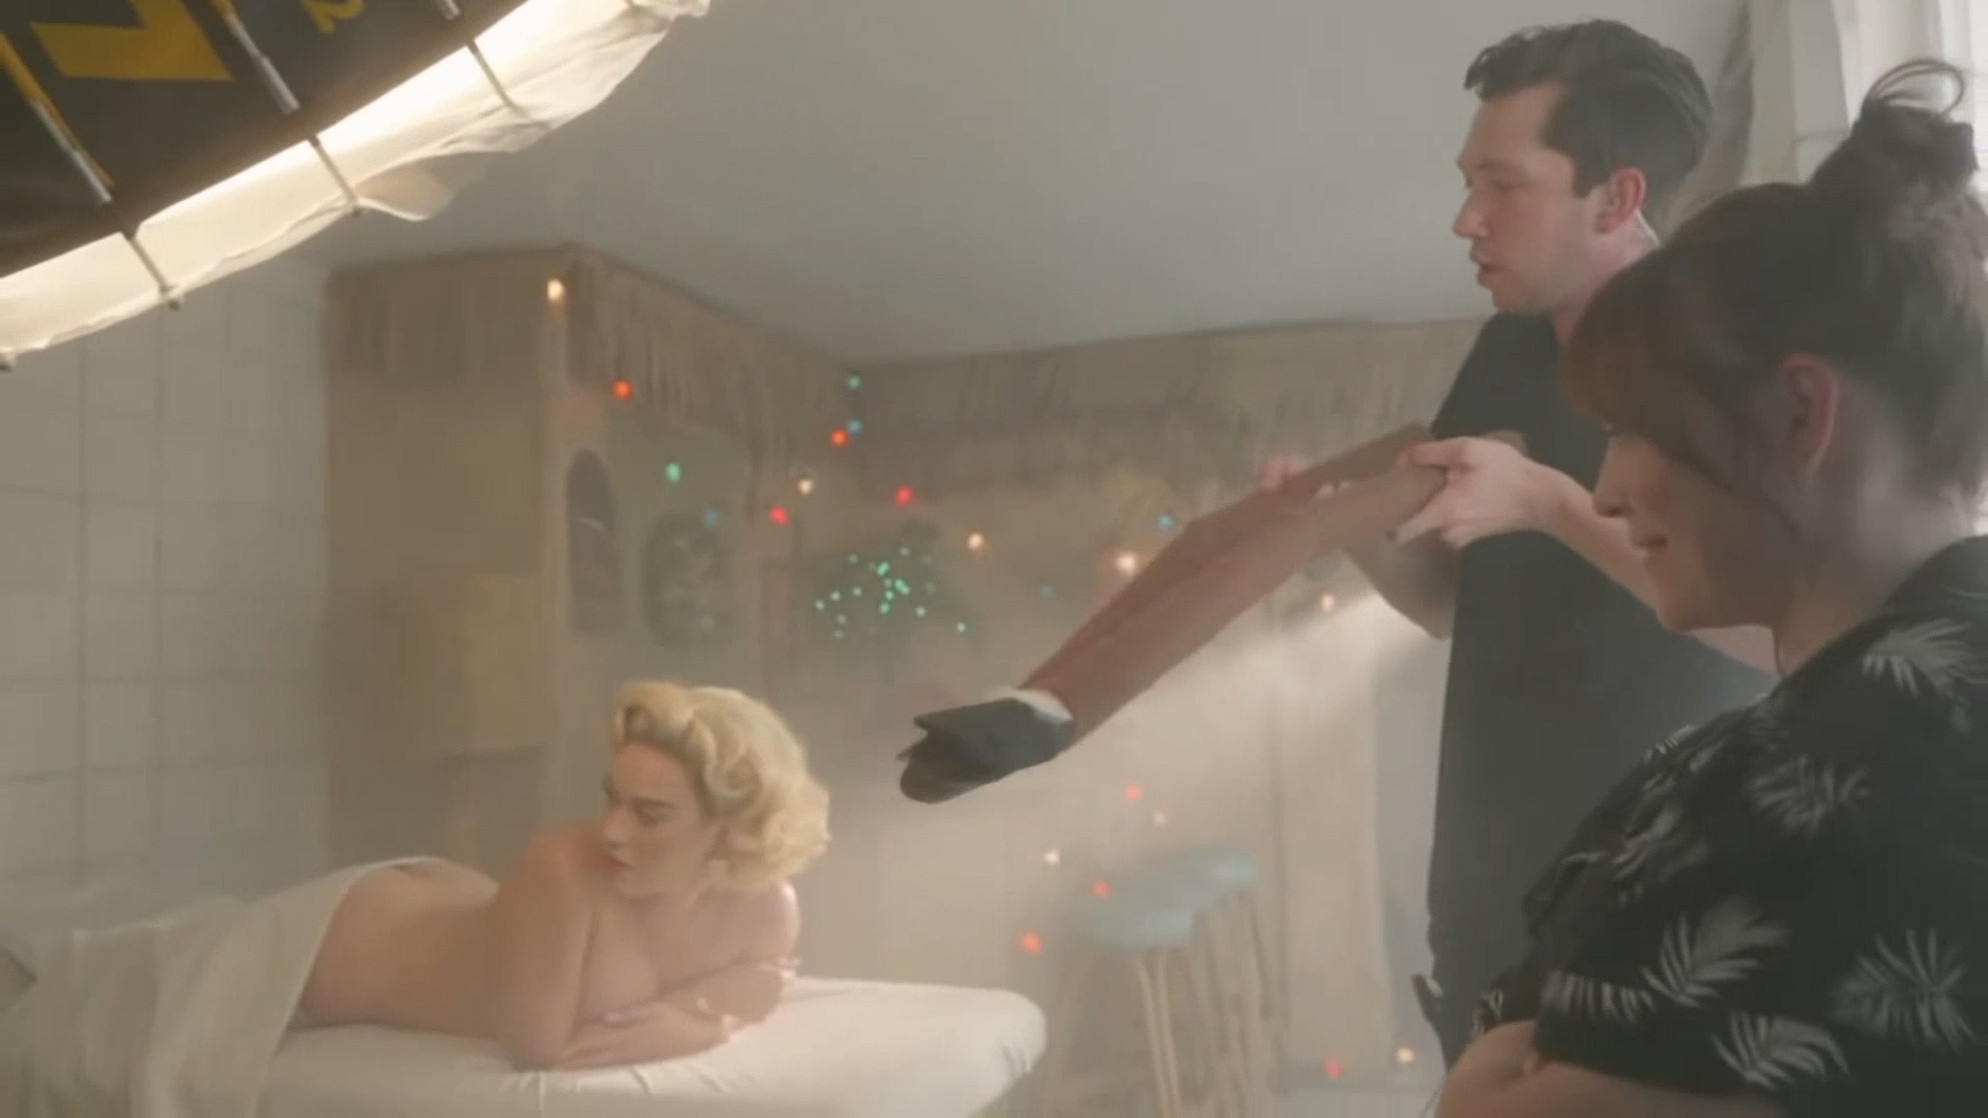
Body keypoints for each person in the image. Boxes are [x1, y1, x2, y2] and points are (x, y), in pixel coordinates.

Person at [1438, 59, 1988, 1115]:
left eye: (1630, 430)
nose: (1608, 487)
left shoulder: (1867, 760)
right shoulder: (1867, 712)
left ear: (1797, 413)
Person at [1340, 20, 1777, 1063]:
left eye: (1502, 185)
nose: (1465, 219)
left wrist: (1547, 502)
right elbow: (1453, 605)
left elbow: (1780, 633)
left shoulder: (1726, 359)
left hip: (1661, 927)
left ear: (1616, 198)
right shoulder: (1507, 347)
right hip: (1489, 914)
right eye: (1467, 182)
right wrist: (1356, 531)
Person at [299, 681, 831, 1070]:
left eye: (649, 815)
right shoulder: (562, 870)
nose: (612, 831)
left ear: (728, 828)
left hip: (444, 907)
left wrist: (701, 1020)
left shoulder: (766, 908)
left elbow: (760, 987)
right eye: (612, 800)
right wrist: (702, 1022)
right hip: (327, 945)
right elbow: (544, 1050)